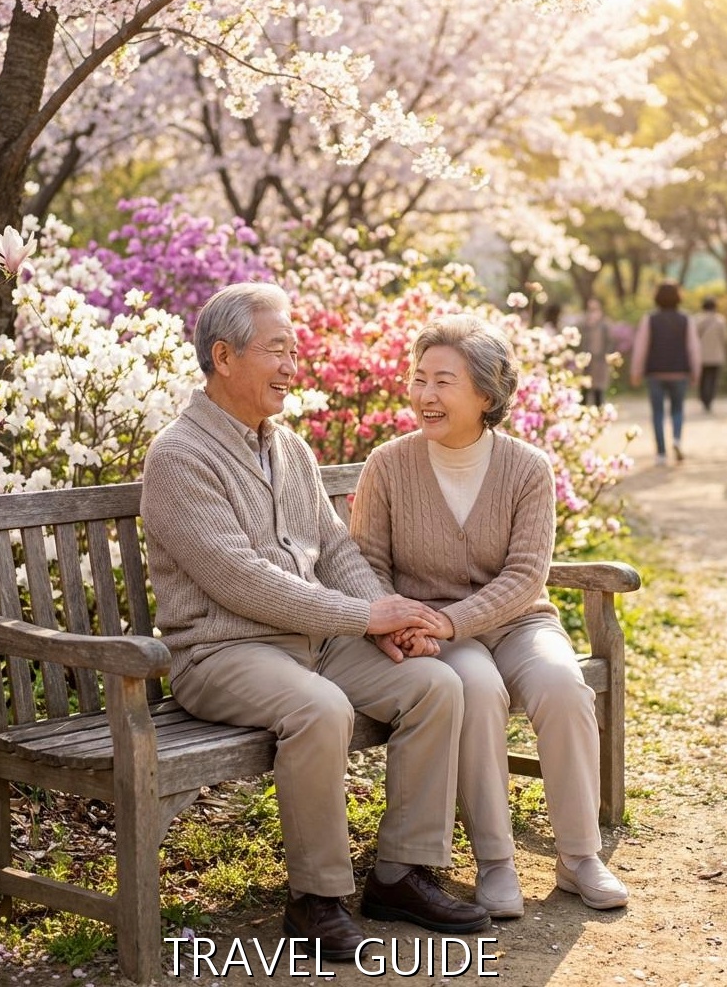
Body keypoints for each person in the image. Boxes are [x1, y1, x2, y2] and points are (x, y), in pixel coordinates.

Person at [140, 283, 490, 961]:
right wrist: (364, 615)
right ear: (223, 356)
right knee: (321, 709)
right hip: (222, 653)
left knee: (435, 684)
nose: (293, 365)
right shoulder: (179, 456)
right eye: (278, 351)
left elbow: (334, 548)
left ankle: (401, 874)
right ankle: (316, 900)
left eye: (295, 351)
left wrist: (383, 622)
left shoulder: (288, 447)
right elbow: (242, 581)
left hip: (310, 643)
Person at [349, 315, 629, 920]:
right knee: (476, 690)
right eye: (419, 379)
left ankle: (581, 857)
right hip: (432, 630)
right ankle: (496, 862)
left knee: (563, 685)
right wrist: (404, 621)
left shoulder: (527, 468)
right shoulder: (388, 465)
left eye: (443, 382)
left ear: (487, 394)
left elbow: (526, 576)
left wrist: (453, 622)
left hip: (517, 621)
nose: (425, 395)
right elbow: (366, 563)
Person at [630, 280, 701, 466]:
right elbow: (693, 347)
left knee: (658, 413)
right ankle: (676, 439)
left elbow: (641, 347)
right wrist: (696, 371)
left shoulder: (650, 319)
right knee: (677, 409)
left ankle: (661, 453)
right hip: (679, 372)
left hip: (655, 372)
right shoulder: (686, 319)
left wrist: (636, 371)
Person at [692, 296, 727, 413]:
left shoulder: (697, 319)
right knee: (712, 379)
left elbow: (692, 338)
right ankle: (709, 400)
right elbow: (725, 337)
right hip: (716, 354)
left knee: (702, 379)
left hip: (700, 355)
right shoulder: (721, 320)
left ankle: (703, 399)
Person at [576, 297, 613, 407]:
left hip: (600, 362)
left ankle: (599, 415)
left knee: (599, 391)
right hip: (586, 362)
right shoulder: (584, 324)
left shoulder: (605, 324)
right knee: (584, 390)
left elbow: (610, 341)